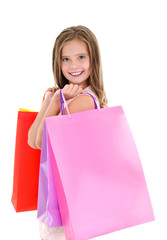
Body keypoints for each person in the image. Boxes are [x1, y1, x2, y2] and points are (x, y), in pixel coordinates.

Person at [28, 25, 108, 240]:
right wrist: (51, 101)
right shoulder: (67, 98)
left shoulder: (84, 101)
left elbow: (39, 141)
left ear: (93, 60)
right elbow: (30, 140)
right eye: (66, 59)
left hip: (70, 206)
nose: (74, 65)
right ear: (58, 62)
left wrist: (54, 103)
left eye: (81, 57)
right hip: (62, 201)